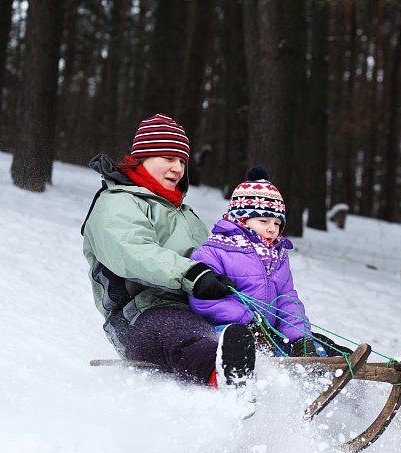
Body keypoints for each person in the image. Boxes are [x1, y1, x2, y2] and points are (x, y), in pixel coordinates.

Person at [81, 113, 256, 388]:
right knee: (177, 328)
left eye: (182, 161)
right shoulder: (115, 203)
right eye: (168, 158)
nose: (177, 169)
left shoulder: (185, 214)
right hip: (141, 315)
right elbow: (133, 251)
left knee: (260, 329)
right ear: (142, 158)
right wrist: (192, 274)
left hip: (200, 311)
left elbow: (216, 259)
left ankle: (326, 368)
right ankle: (225, 377)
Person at [189, 166, 336, 357]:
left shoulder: (278, 255)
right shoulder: (215, 251)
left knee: (315, 350)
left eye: (277, 223)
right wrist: (247, 321)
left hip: (268, 334)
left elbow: (287, 299)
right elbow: (203, 300)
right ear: (241, 220)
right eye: (263, 221)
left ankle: (330, 374)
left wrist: (299, 337)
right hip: (225, 332)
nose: (272, 229)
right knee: (241, 345)